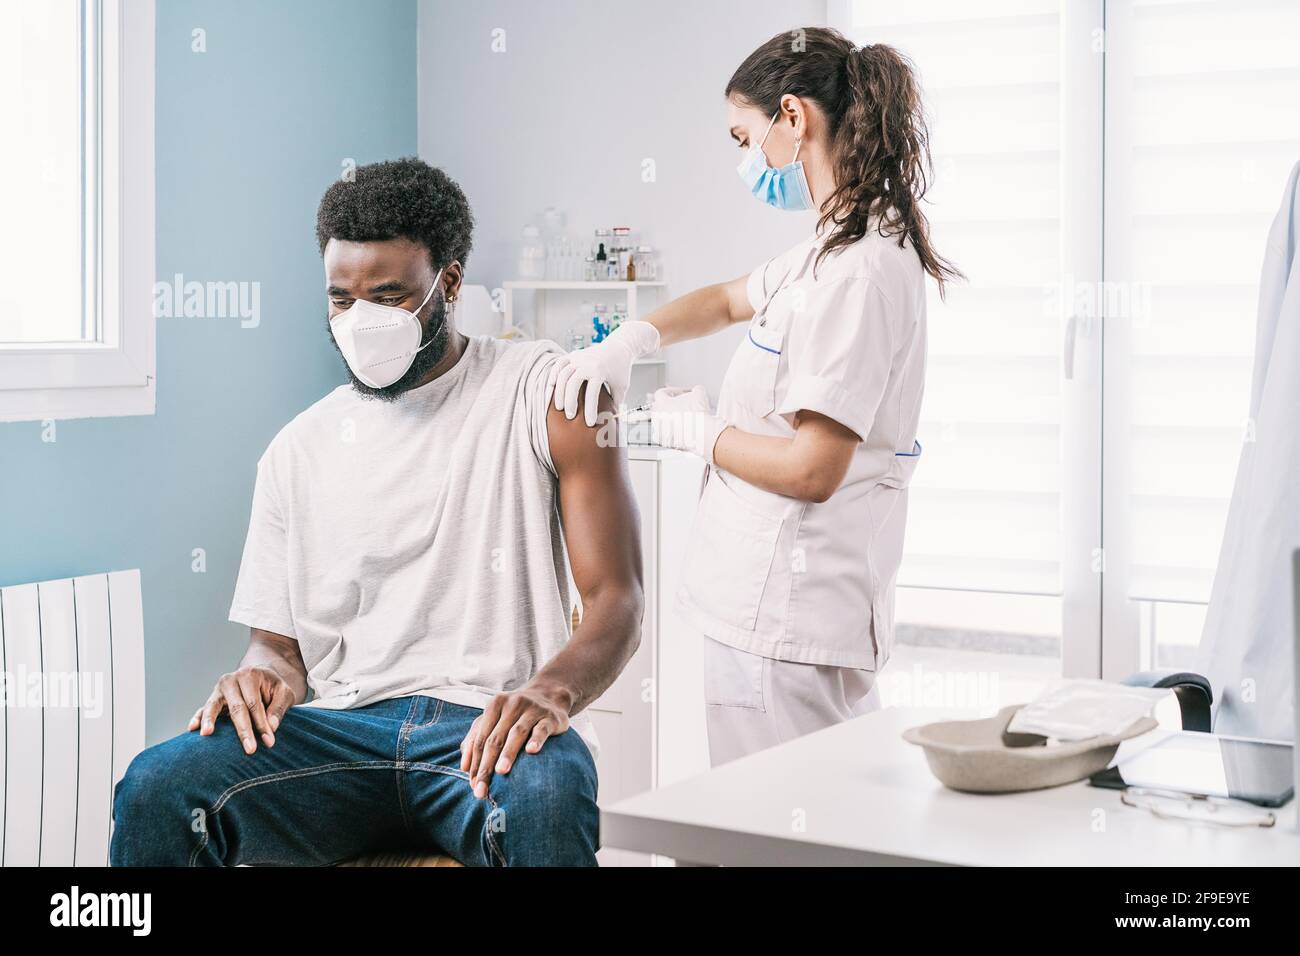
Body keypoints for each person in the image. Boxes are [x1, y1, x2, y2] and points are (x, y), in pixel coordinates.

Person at [110, 158, 644, 866]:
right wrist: (261, 676)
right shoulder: (294, 452)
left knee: (551, 791)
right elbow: (280, 648)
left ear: (448, 283)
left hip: (486, 728)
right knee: (156, 786)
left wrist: (550, 692)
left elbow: (618, 600)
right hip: (338, 735)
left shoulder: (544, 396)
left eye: (389, 297)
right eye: (341, 299)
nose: (361, 322)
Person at [550, 28, 960, 766]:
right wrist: (631, 340)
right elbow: (728, 300)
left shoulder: (859, 272)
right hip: (776, 612)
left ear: (793, 118)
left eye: (746, 136)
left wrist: (697, 433)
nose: (747, 159)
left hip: (786, 621)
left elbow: (814, 469)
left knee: (779, 829)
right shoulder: (831, 244)